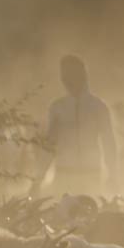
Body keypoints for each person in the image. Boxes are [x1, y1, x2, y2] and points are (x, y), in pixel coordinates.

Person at [33, 55, 117, 196]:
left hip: (91, 173)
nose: (65, 79)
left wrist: (113, 174)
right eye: (64, 75)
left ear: (83, 75)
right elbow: (50, 144)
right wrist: (39, 178)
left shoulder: (98, 106)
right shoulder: (57, 107)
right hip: (64, 173)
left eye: (70, 74)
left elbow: (108, 141)